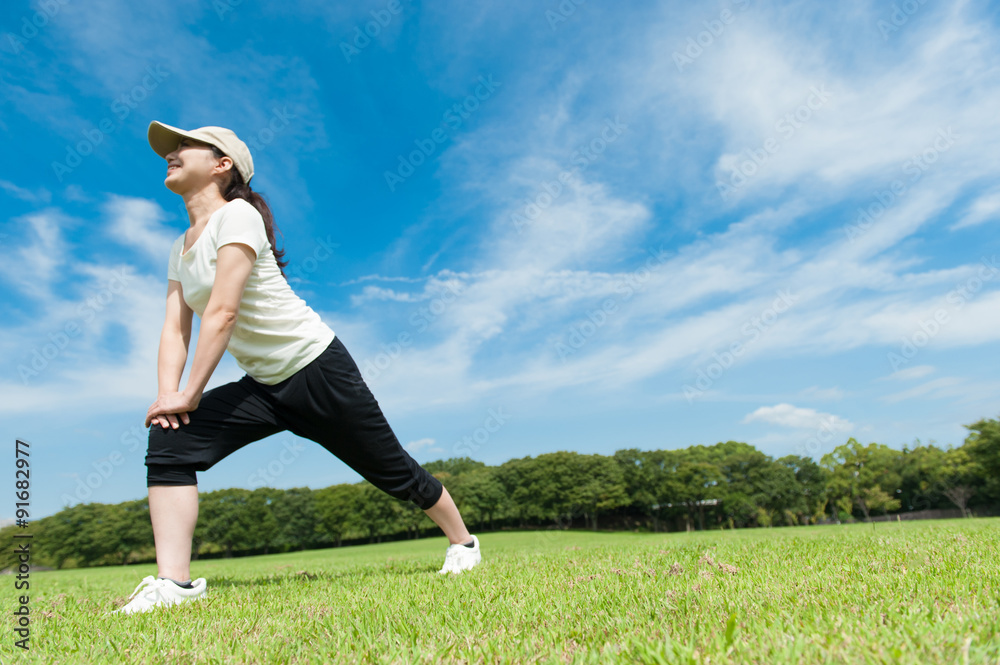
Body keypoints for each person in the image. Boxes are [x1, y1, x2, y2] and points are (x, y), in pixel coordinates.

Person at [114, 122, 481, 615]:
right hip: (263, 386)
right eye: (171, 148)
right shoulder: (180, 247)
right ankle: (173, 585)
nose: (172, 153)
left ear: (222, 165)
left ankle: (463, 543)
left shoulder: (237, 216)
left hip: (316, 369)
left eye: (185, 147)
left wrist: (191, 392)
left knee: (393, 470)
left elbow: (222, 314)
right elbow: (174, 330)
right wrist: (169, 398)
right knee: (169, 440)